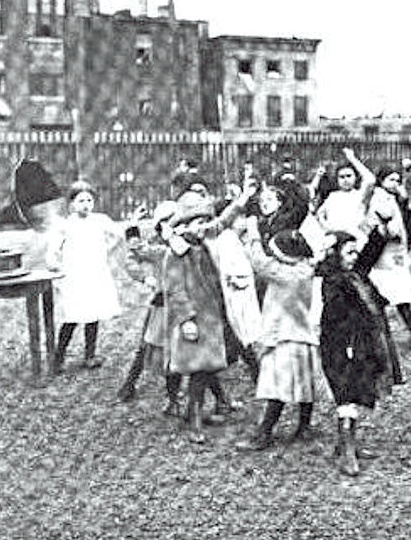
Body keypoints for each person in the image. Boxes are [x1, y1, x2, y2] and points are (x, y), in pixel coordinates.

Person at [317, 226, 403, 477]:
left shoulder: (354, 275)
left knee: (356, 392)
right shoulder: (334, 281)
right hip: (341, 345)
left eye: (355, 252)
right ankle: (348, 452)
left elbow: (368, 256)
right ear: (335, 254)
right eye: (349, 252)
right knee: (346, 394)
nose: (354, 257)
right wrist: (348, 347)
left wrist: (380, 231)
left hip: (359, 343)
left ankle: (346, 442)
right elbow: (334, 321)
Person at [236, 223, 320, 452]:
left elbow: (258, 259)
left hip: (284, 336)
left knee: (277, 389)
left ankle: (264, 433)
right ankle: (304, 426)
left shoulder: (284, 274)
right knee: (304, 386)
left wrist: (252, 231)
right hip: (303, 335)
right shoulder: (306, 268)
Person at [48, 181, 142, 373]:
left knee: (93, 314)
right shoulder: (66, 225)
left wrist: (107, 249)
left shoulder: (100, 220)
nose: (86, 204)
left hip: (95, 273)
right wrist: (56, 267)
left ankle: (90, 355)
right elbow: (53, 250)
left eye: (89, 200)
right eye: (81, 200)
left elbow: (118, 234)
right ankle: (58, 358)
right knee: (73, 315)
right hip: (75, 275)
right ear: (72, 203)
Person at [162, 191, 230, 444]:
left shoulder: (201, 247)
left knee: (205, 368)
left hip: (210, 315)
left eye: (204, 221)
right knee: (197, 370)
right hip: (194, 318)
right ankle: (195, 419)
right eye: (197, 222)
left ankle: (197, 412)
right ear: (184, 225)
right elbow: (175, 288)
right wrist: (186, 319)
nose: (202, 227)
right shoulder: (177, 253)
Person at [116, 200, 184, 418]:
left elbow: (136, 249)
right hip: (162, 305)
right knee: (149, 346)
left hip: (185, 304)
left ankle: (178, 399)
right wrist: (145, 277)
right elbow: (133, 256)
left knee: (182, 352)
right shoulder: (159, 248)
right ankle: (133, 384)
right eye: (166, 222)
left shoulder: (182, 245)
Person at [367, 164, 411, 350]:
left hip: (395, 253)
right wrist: (390, 231)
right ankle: (381, 337)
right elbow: (377, 223)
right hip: (385, 254)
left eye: (397, 180)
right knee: (385, 295)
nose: (395, 183)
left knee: (402, 295)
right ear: (381, 181)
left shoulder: (391, 198)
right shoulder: (379, 198)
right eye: (390, 180)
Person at [316, 148, 376, 241]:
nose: (345, 180)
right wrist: (327, 227)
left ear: (355, 178)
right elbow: (320, 214)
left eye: (349, 176)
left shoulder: (360, 194)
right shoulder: (332, 196)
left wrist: (352, 158)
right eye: (342, 177)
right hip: (334, 238)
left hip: (355, 238)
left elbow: (370, 180)